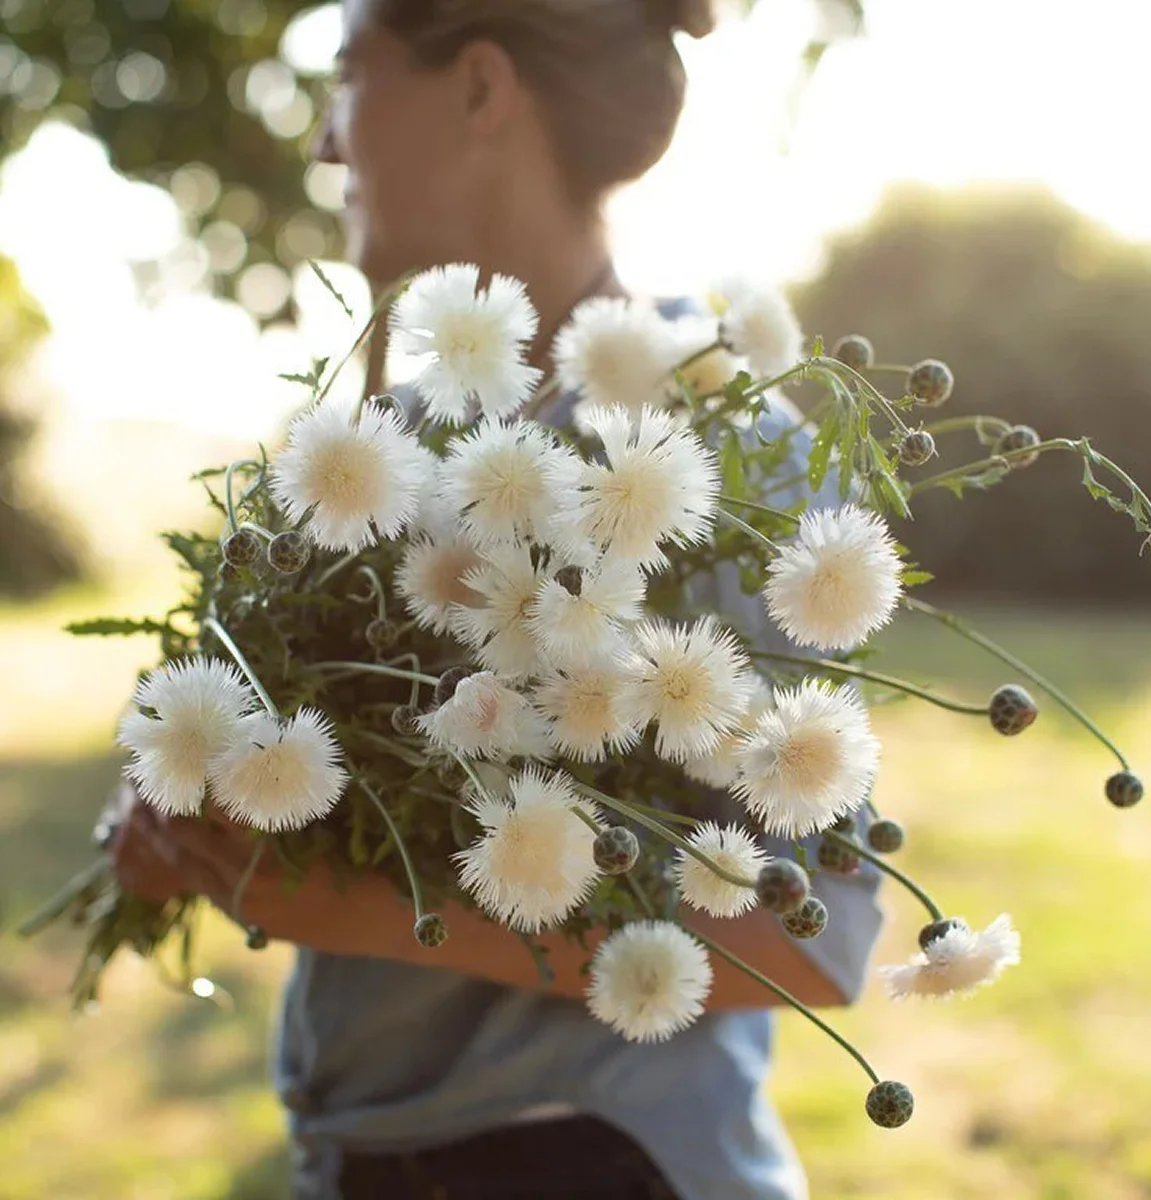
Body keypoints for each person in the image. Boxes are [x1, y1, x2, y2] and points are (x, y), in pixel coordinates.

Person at [112, 2, 885, 1197]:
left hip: (592, 1165)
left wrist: (368, 912)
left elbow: (813, 937)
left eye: (351, 79)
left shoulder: (725, 457)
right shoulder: (394, 447)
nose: (326, 143)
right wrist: (189, 820)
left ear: (480, 89)